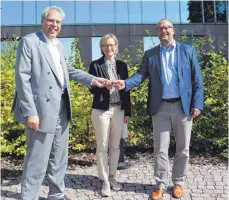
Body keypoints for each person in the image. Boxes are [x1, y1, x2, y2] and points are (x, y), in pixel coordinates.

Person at [11, 6, 109, 200]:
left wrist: (92, 79)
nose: (54, 25)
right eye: (51, 21)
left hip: (62, 109)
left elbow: (68, 70)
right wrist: (30, 112)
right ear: (43, 21)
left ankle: (56, 194)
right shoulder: (29, 42)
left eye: (58, 22)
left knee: (59, 157)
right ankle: (29, 196)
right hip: (40, 111)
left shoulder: (60, 46)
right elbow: (22, 78)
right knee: (37, 159)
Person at [112, 19, 204, 200]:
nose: (164, 30)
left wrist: (197, 104)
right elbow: (140, 75)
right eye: (160, 28)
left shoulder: (187, 51)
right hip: (160, 106)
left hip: (183, 107)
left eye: (167, 27)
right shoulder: (151, 54)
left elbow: (197, 80)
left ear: (173, 30)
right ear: (157, 32)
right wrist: (125, 83)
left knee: (183, 148)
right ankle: (160, 184)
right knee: (160, 148)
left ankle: (178, 182)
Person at [88, 34, 131, 197]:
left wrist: (127, 111)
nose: (109, 48)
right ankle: (105, 181)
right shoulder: (95, 65)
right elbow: (91, 88)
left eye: (112, 45)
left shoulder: (122, 65)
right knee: (102, 146)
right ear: (101, 48)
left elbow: (127, 90)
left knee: (115, 146)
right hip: (101, 110)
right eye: (106, 45)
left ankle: (113, 177)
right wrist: (102, 85)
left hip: (119, 109)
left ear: (117, 47)